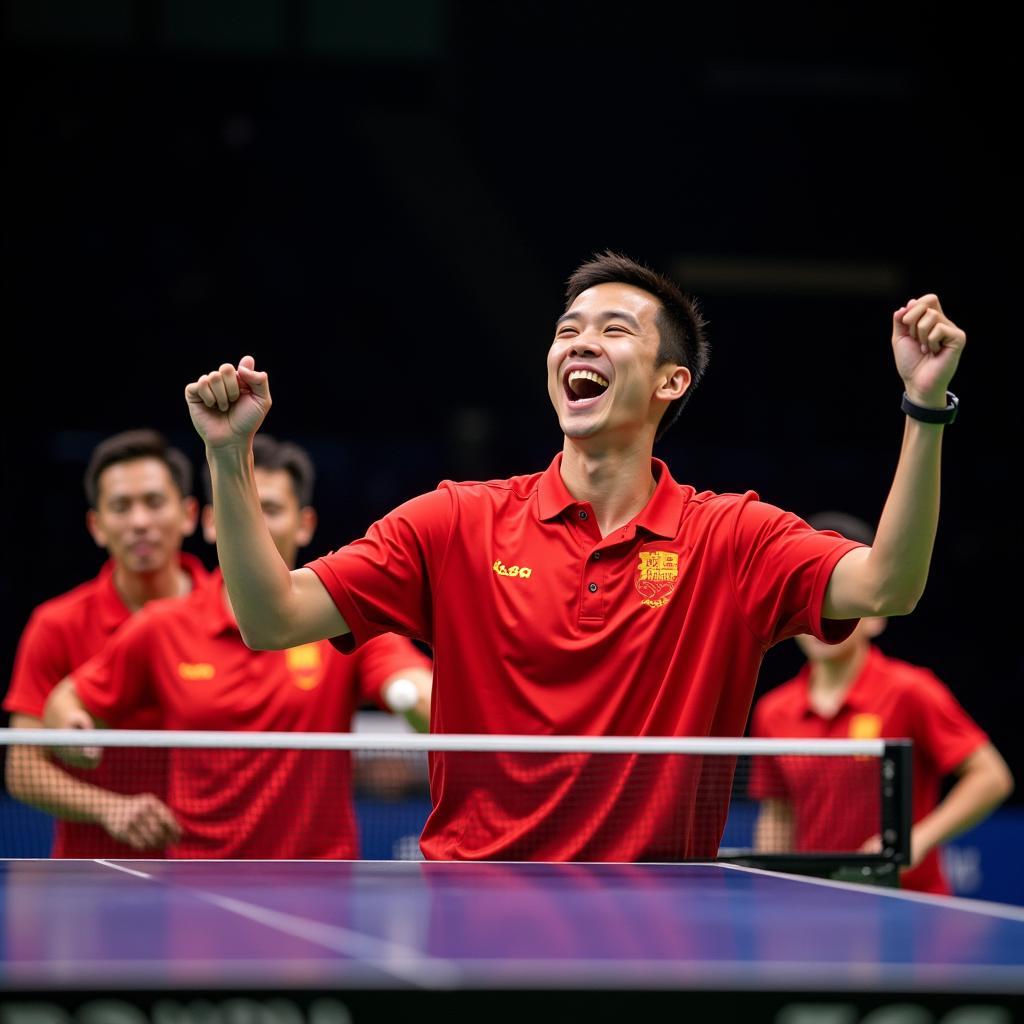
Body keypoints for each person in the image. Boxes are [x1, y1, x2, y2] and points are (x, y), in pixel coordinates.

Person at [183, 250, 968, 862]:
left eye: (614, 330)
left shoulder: (733, 538)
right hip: (472, 912)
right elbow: (270, 617)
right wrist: (228, 458)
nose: (581, 341)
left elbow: (888, 586)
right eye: (568, 329)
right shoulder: (455, 520)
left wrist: (923, 408)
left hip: (658, 926)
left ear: (672, 380)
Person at [44, 434, 432, 859]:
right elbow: (69, 700)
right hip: (194, 884)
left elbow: (414, 682)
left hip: (319, 886)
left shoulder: (341, 622)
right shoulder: (163, 626)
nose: (255, 525)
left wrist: (425, 706)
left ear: (305, 524)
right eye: (243, 510)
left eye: (271, 509)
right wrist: (72, 732)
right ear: (213, 523)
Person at [748, 511, 1013, 894]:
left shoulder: (910, 691)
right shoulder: (774, 711)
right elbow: (778, 813)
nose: (823, 617)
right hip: (815, 905)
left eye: (836, 601)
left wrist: (915, 840)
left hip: (906, 903)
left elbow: (991, 778)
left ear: (876, 617)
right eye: (811, 601)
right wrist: (770, 887)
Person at [4, 429, 206, 856]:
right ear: (96, 526)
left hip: (219, 863)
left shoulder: (239, 620)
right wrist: (108, 808)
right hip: (93, 869)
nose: (138, 522)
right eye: (120, 507)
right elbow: (22, 767)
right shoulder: (56, 624)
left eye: (153, 502)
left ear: (188, 514)